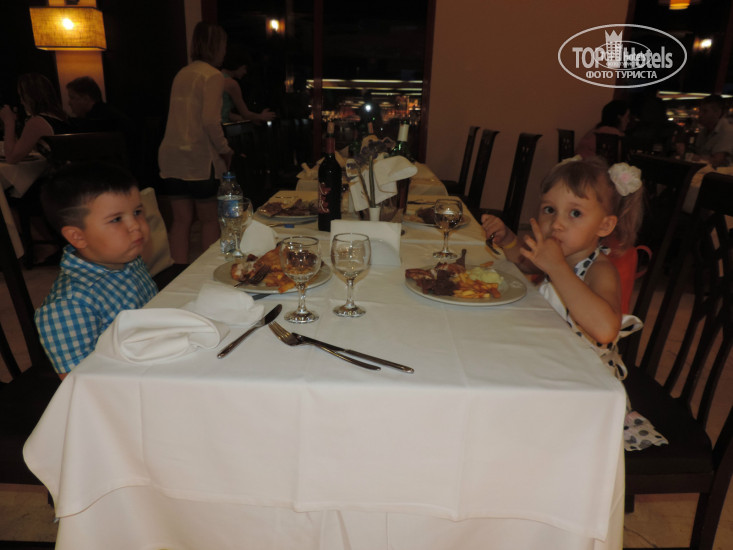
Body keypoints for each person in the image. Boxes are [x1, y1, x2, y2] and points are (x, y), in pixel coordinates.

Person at [481, 156, 667, 451]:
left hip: (581, 385)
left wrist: (556, 268)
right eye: (549, 209)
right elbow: (524, 263)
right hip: (547, 361)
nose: (556, 223)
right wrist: (508, 239)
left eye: (575, 213)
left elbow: (605, 329)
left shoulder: (600, 270)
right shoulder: (558, 254)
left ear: (604, 225)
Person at [34, 161, 158, 379]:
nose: (135, 225)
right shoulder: (70, 305)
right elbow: (78, 382)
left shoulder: (128, 260)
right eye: (116, 219)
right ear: (77, 236)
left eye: (137, 212)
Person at [158, 21, 233, 264]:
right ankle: (208, 272)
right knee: (209, 220)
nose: (225, 51)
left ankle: (178, 271)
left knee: (181, 221)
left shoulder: (182, 73)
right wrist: (225, 149)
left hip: (171, 156)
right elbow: (210, 121)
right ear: (217, 46)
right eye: (224, 46)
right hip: (198, 158)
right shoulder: (213, 76)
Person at [0, 73, 72, 164]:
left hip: (62, 171)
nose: (21, 102)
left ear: (30, 97)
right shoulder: (60, 117)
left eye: (22, 96)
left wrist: (9, 122)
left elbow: (11, 158)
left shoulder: (38, 122)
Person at [220, 46, 276, 124]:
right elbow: (246, 114)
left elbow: (227, 114)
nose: (245, 72)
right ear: (237, 65)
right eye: (244, 68)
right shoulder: (231, 84)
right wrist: (261, 116)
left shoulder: (217, 77)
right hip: (221, 127)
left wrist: (253, 119)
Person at [688, 94, 733, 167]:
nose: (700, 115)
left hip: (719, 173)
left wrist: (694, 157)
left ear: (717, 113)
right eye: (700, 111)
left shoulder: (727, 131)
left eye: (705, 111)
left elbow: (717, 161)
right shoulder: (704, 131)